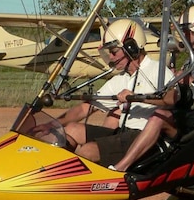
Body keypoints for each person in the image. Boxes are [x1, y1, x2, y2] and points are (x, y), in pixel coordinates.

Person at [107, 5, 194, 172]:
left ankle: (122, 167)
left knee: (159, 117)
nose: (182, 35)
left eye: (187, 31)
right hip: (187, 114)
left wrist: (190, 83)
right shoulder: (191, 60)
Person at [49, 18, 176, 167]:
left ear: (131, 48)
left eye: (114, 52)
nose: (111, 57)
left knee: (87, 151)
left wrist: (137, 98)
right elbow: (85, 108)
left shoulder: (157, 70)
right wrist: (52, 124)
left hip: (144, 138)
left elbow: (172, 98)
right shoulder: (121, 79)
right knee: (70, 130)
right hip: (123, 134)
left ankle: (78, 183)